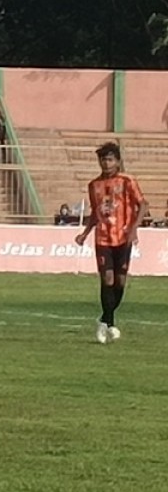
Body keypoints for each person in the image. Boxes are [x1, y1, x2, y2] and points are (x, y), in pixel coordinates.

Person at [74, 142, 148, 345]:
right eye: (102, 160)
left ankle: (104, 320)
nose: (105, 164)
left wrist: (134, 228)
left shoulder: (127, 181)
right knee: (107, 279)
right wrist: (85, 233)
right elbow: (95, 213)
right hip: (103, 238)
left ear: (117, 161)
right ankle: (109, 323)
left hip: (123, 237)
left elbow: (143, 204)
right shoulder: (94, 185)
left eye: (109, 159)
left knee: (120, 282)